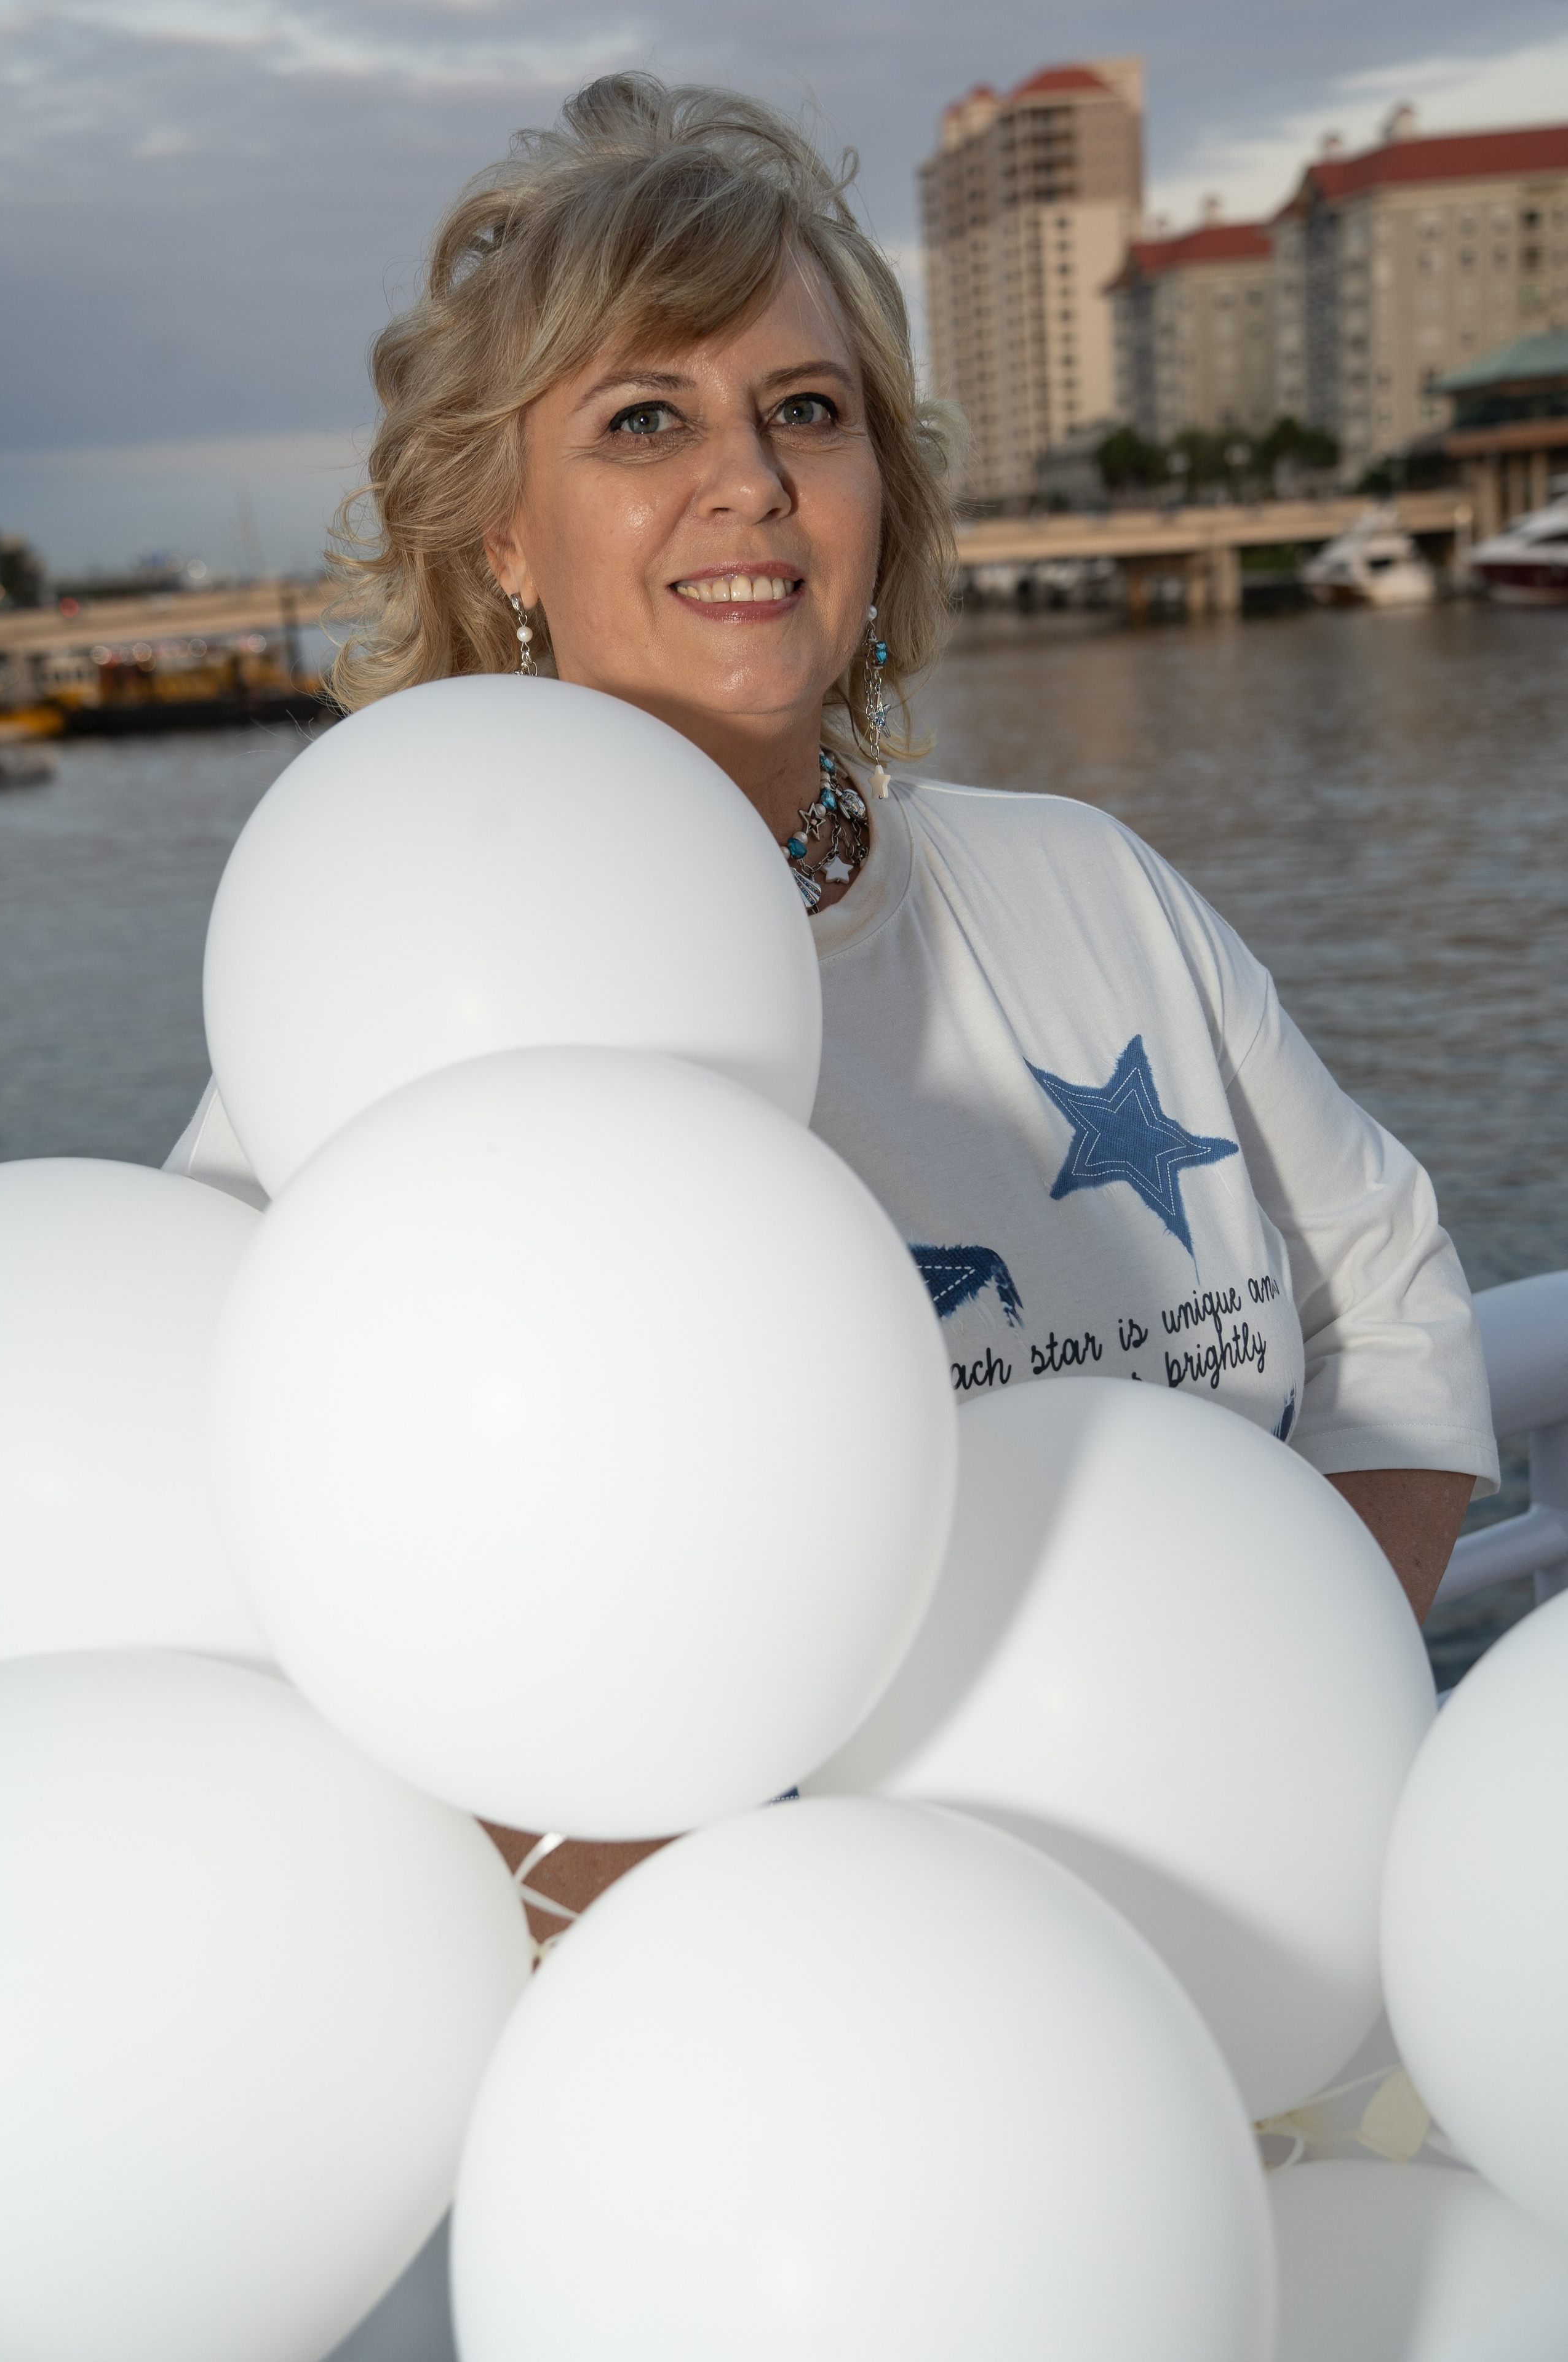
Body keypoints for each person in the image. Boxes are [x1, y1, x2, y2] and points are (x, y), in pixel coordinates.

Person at [167, 74, 1497, 1930]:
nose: (753, 478)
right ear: (503, 542)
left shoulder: (1087, 888)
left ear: (886, 490)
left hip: (1264, 1973)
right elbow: (246, 1601)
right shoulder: (381, 1025)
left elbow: (1395, 1301)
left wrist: (1273, 1733)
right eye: (648, 418)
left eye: (808, 411)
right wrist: (801, 1950)